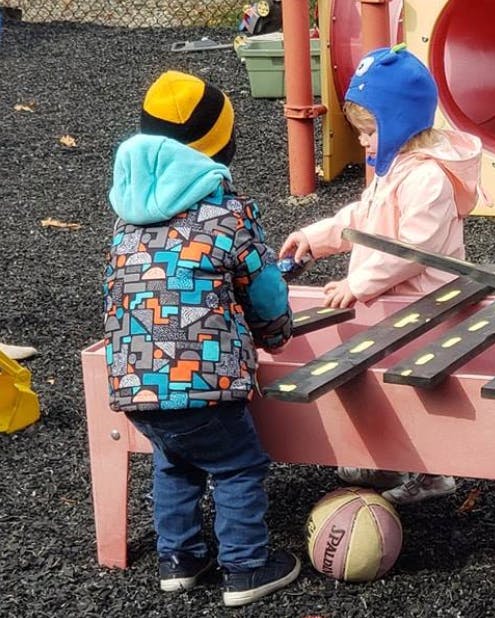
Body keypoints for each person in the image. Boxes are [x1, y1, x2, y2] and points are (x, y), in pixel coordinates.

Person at [103, 70, 300, 607]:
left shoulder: (126, 223)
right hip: (202, 379)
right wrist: (278, 334)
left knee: (175, 460)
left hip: (133, 380)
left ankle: (180, 559)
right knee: (239, 464)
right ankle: (246, 567)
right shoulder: (226, 213)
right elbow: (262, 290)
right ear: (219, 148)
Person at [279, 44, 488, 506]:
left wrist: (360, 284)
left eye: (371, 131)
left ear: (401, 123)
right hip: (398, 299)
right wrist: (318, 236)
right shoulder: (395, 165)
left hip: (426, 304)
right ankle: (381, 456)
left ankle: (433, 474)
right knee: (378, 375)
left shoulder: (427, 178)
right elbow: (365, 217)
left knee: (415, 389)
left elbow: (412, 250)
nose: (365, 142)